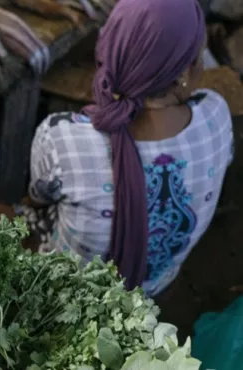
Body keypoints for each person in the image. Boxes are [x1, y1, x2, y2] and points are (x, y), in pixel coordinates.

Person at [18, 0, 233, 297]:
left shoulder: (61, 137)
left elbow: (37, 199)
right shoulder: (216, 117)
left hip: (65, 299)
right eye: (199, 58)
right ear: (184, 73)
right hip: (153, 287)